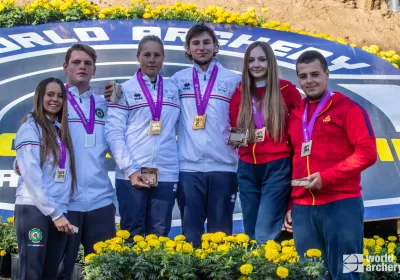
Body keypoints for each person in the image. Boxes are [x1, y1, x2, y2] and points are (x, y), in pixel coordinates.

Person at [284, 50, 377, 279]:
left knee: (350, 272)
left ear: (327, 74)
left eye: (315, 74)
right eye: (303, 76)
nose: (309, 81)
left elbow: (368, 153)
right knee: (312, 275)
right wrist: (290, 204)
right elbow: (292, 162)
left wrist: (327, 177)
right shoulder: (295, 115)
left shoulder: (349, 108)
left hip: (343, 206)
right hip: (303, 210)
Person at [169, 23, 241, 247]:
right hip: (188, 169)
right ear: (188, 49)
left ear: (216, 46)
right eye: (196, 43)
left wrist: (235, 153)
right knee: (191, 235)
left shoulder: (232, 80)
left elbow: (240, 120)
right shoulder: (177, 81)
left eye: (206, 42)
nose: (201, 48)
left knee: (221, 235)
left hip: (224, 167)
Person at [105, 35, 180, 237]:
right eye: (147, 54)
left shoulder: (174, 89)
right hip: (132, 173)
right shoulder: (123, 90)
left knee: (160, 234)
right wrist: (129, 169)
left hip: (166, 173)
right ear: (138, 57)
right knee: (132, 232)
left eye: (157, 55)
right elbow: (113, 132)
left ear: (163, 58)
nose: (152, 60)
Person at [229, 41, 301, 244]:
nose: (256, 64)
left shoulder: (287, 90)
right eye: (251, 60)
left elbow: (299, 131)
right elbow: (236, 131)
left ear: (270, 61)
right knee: (251, 234)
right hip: (247, 168)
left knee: (264, 232)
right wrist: (237, 140)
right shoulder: (239, 93)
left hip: (277, 166)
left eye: (262, 59)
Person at [59, 44, 116, 279]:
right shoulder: (53, 102)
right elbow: (34, 135)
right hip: (65, 203)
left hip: (100, 202)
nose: (82, 66)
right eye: (76, 62)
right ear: (65, 67)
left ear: (94, 70)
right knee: (60, 271)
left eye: (87, 63)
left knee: (104, 271)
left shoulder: (106, 104)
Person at [14, 77, 77, 280]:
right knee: (32, 272)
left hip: (57, 211)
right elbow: (32, 177)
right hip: (34, 210)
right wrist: (54, 213)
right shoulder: (30, 128)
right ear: (40, 97)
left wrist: (59, 211)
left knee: (50, 273)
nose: (55, 99)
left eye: (60, 96)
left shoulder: (59, 129)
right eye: (50, 94)